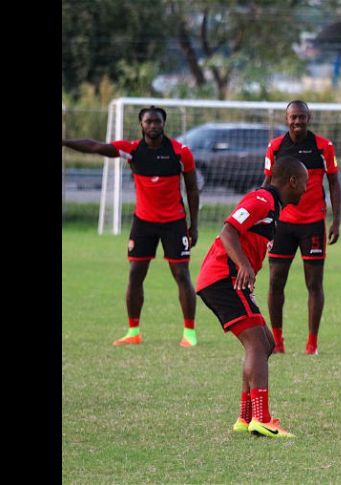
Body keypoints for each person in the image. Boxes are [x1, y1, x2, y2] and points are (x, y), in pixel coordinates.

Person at [62, 106, 200, 347]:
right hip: (143, 223)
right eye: (148, 122)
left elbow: (191, 189)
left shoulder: (180, 153)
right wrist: (64, 142)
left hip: (174, 223)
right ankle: (133, 331)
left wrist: (194, 225)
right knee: (136, 274)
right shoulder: (132, 151)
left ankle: (189, 333)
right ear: (141, 125)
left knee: (181, 275)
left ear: (164, 124)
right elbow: (95, 146)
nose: (153, 125)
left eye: (157, 121)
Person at [196, 156, 308, 438]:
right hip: (223, 278)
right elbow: (228, 231)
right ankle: (263, 418)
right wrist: (244, 264)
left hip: (233, 281)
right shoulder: (262, 199)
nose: (307, 189)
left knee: (266, 343)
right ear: (292, 181)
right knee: (257, 343)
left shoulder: (274, 206)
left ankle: (245, 419)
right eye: (305, 183)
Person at [263, 100, 341, 355]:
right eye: (293, 117)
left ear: (309, 118)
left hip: (312, 224)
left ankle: (312, 344)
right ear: (286, 119)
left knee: (314, 283)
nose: (297, 121)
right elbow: (266, 185)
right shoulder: (275, 147)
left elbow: (334, 183)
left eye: (302, 117)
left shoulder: (323, 147)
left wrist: (336, 220)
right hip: (282, 225)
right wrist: (265, 219)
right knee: (275, 281)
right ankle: (277, 341)